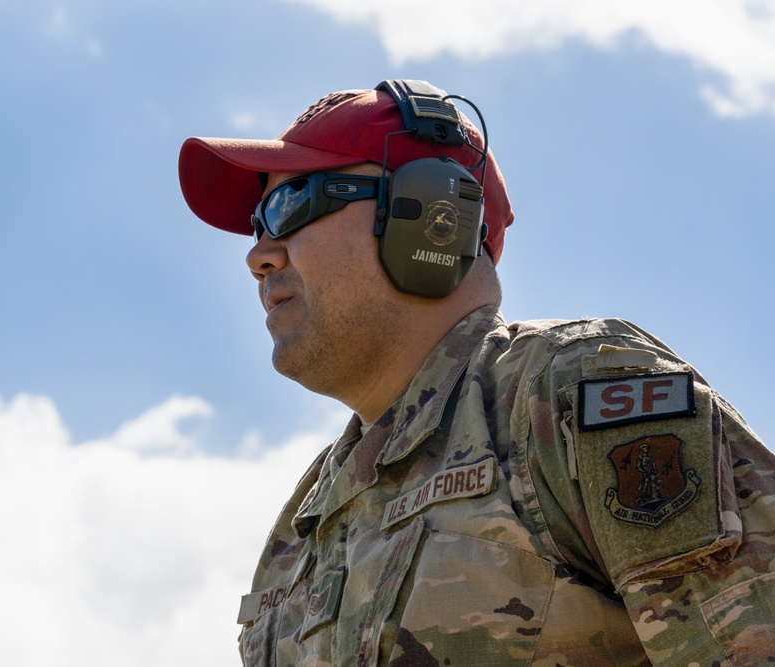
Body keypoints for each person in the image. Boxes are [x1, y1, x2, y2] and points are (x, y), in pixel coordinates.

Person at [177, 79, 775, 666]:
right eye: (258, 224)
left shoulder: (567, 395)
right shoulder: (304, 524)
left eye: (290, 205)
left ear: (433, 212)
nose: (258, 254)